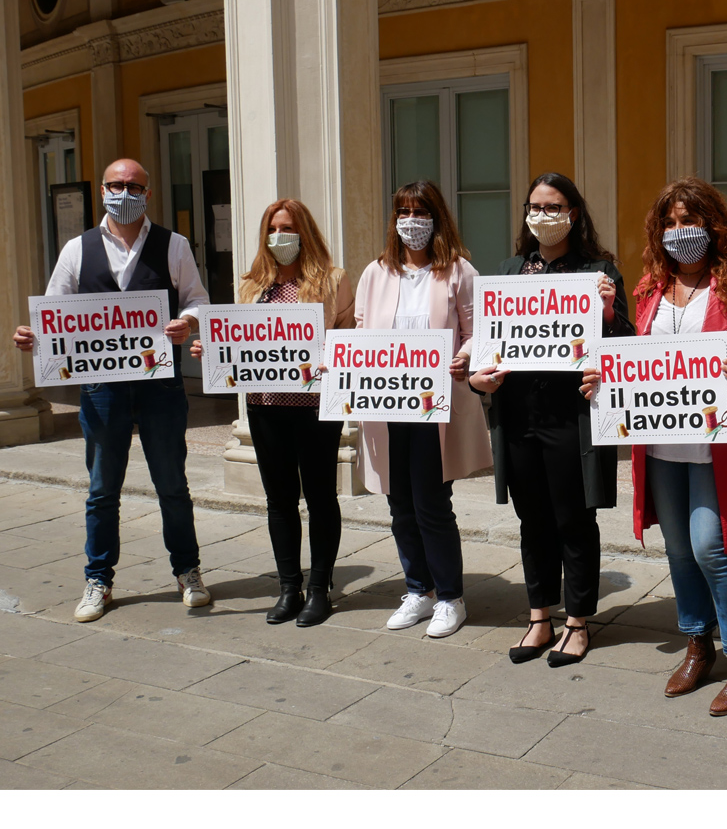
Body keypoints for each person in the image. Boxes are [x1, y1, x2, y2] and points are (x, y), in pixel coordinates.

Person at [585, 176, 727, 716]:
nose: (678, 231)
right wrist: (604, 381)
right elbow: (632, 360)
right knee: (678, 548)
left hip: (715, 441)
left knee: (711, 545)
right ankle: (697, 643)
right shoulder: (647, 290)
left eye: (688, 220)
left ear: (711, 225)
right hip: (660, 441)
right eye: (669, 222)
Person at [12, 158, 211, 622]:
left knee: (172, 485)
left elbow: (197, 298)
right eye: (117, 185)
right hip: (101, 386)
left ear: (147, 192)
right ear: (103, 190)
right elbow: (54, 314)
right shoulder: (77, 249)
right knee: (102, 489)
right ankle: (98, 579)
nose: (125, 193)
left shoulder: (173, 244)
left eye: (134, 186)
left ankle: (188, 570)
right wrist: (32, 338)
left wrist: (187, 321)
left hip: (159, 384)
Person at [470, 173, 634, 667]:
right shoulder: (508, 270)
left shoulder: (599, 272)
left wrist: (607, 312)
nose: (544, 216)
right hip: (519, 413)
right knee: (532, 519)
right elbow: (486, 344)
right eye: (536, 206)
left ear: (574, 213)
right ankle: (539, 617)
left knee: (572, 518)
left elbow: (626, 345)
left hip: (571, 415)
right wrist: (479, 378)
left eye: (555, 205)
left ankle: (578, 622)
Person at [190, 200, 354, 627]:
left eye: (291, 228)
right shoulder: (250, 285)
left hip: (316, 407)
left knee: (320, 497)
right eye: (275, 229)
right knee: (278, 500)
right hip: (264, 407)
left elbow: (352, 338)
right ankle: (288, 588)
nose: (282, 237)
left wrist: (334, 356)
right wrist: (211, 350)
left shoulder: (334, 281)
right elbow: (236, 342)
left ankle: (320, 589)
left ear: (308, 233)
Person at [354, 180, 491, 639]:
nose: (411, 221)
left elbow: (478, 331)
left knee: (432, 504)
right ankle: (418, 589)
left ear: (437, 217)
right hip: (388, 405)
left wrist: (465, 355)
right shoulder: (376, 272)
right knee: (399, 504)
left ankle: (451, 597)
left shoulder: (458, 271)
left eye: (420, 211)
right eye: (403, 212)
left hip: (436, 407)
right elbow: (359, 333)